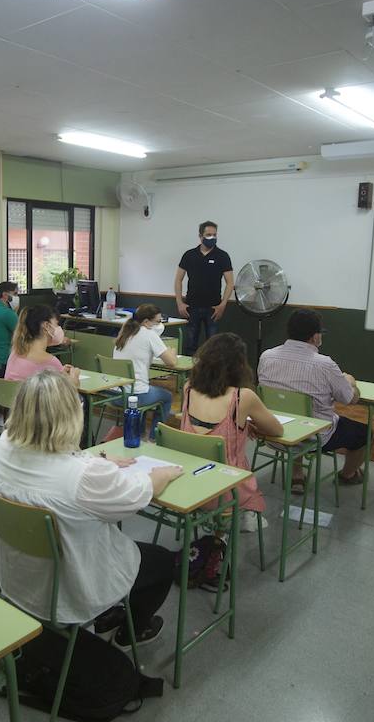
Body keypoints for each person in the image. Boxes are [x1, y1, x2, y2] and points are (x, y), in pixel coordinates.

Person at [0, 369, 184, 644]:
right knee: (161, 561)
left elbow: (54, 459)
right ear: (72, 416)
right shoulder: (84, 476)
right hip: (71, 589)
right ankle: (132, 632)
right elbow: (140, 493)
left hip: (18, 580)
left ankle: (109, 616)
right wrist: (163, 474)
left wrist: (97, 459)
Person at [179, 333, 283, 533]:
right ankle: (241, 517)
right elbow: (277, 430)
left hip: (188, 483)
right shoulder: (242, 397)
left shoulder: (188, 388)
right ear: (240, 365)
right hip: (226, 490)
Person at [257, 308, 367, 487]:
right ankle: (348, 475)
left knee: (297, 415)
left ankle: (297, 475)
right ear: (315, 337)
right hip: (314, 437)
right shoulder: (325, 364)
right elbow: (350, 399)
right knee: (366, 434)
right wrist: (350, 381)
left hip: (275, 431)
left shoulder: (266, 357)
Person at [111, 303, 177, 439]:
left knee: (145, 388)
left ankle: (140, 434)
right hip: (135, 397)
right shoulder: (149, 334)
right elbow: (171, 362)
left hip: (115, 394)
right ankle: (154, 438)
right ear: (146, 322)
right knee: (167, 397)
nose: (159, 325)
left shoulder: (124, 333)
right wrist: (173, 352)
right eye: (157, 321)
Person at [174, 220, 234, 355]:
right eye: (208, 235)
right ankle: (189, 369)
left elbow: (230, 282)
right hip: (192, 307)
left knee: (213, 347)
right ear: (200, 236)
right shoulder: (189, 255)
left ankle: (211, 369)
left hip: (213, 308)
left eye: (214, 235)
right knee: (190, 345)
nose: (212, 238)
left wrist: (223, 304)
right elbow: (178, 279)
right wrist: (179, 303)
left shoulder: (222, 256)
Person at [4, 304, 80, 384]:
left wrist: (59, 371)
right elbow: (66, 391)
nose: (59, 328)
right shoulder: (50, 362)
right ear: (46, 326)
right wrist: (74, 380)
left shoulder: (15, 353)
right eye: (57, 324)